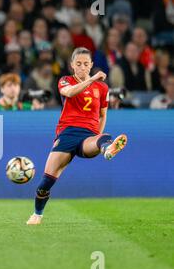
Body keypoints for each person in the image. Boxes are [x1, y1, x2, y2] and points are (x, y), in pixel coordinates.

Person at [26, 47, 128, 225]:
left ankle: (107, 149)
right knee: (45, 182)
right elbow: (70, 93)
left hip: (88, 135)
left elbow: (103, 115)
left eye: (86, 64)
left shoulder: (102, 88)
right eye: (79, 63)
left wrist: (96, 134)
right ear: (72, 65)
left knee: (104, 136)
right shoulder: (65, 81)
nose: (82, 67)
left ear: (91, 65)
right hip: (67, 133)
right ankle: (37, 214)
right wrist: (94, 78)